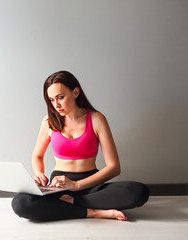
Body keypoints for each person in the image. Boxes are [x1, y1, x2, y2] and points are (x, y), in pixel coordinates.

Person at [11, 70, 149, 222]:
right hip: (59, 185)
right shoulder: (48, 122)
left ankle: (71, 204)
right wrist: (39, 173)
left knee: (138, 191)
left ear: (75, 92)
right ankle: (93, 212)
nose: (56, 105)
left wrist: (76, 185)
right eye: (51, 100)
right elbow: (37, 155)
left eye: (60, 97)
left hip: (90, 184)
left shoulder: (97, 119)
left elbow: (114, 167)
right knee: (20, 203)